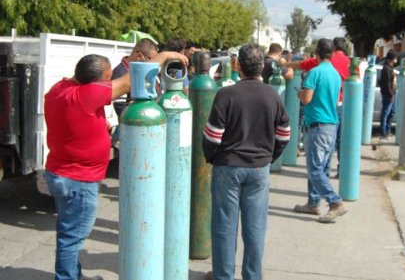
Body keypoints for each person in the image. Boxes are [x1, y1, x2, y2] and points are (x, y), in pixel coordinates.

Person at [44, 51, 187, 280]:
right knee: (72, 238)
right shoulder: (86, 95)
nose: (110, 83)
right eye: (107, 79)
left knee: (68, 231)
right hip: (78, 179)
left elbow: (75, 121)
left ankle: (74, 275)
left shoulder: (59, 89)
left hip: (60, 173)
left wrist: (100, 126)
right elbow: (132, 79)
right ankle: (66, 277)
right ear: (96, 82)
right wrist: (163, 56)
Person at [202, 44, 290, 280]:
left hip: (227, 167)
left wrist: (213, 158)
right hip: (259, 169)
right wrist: (269, 158)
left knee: (224, 227)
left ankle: (223, 276)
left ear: (238, 66)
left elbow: (212, 137)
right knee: (255, 229)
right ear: (262, 66)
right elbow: (284, 134)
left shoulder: (225, 95)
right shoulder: (273, 95)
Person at [293, 38, 347, 224]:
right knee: (322, 168)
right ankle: (313, 203)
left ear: (316, 52)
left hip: (317, 127)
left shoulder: (314, 72)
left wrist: (299, 93)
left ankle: (335, 202)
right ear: (332, 53)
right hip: (331, 126)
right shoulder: (335, 74)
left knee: (314, 170)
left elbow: (306, 99)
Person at [287, 37, 350, 177]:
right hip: (340, 106)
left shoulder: (319, 66)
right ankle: (340, 170)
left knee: (315, 163)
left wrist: (287, 64)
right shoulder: (349, 63)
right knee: (337, 142)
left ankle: (323, 189)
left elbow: (302, 65)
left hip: (319, 114)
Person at [111, 38, 159, 117]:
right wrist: (136, 106)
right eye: (151, 60)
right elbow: (121, 109)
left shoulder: (145, 71)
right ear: (139, 56)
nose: (153, 64)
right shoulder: (120, 74)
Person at [379, 50, 397, 139]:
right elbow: (387, 83)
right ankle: (383, 132)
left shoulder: (391, 68)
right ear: (392, 59)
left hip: (393, 93)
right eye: (395, 58)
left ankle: (388, 129)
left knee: (392, 112)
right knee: (385, 113)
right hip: (388, 95)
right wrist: (390, 95)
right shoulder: (386, 69)